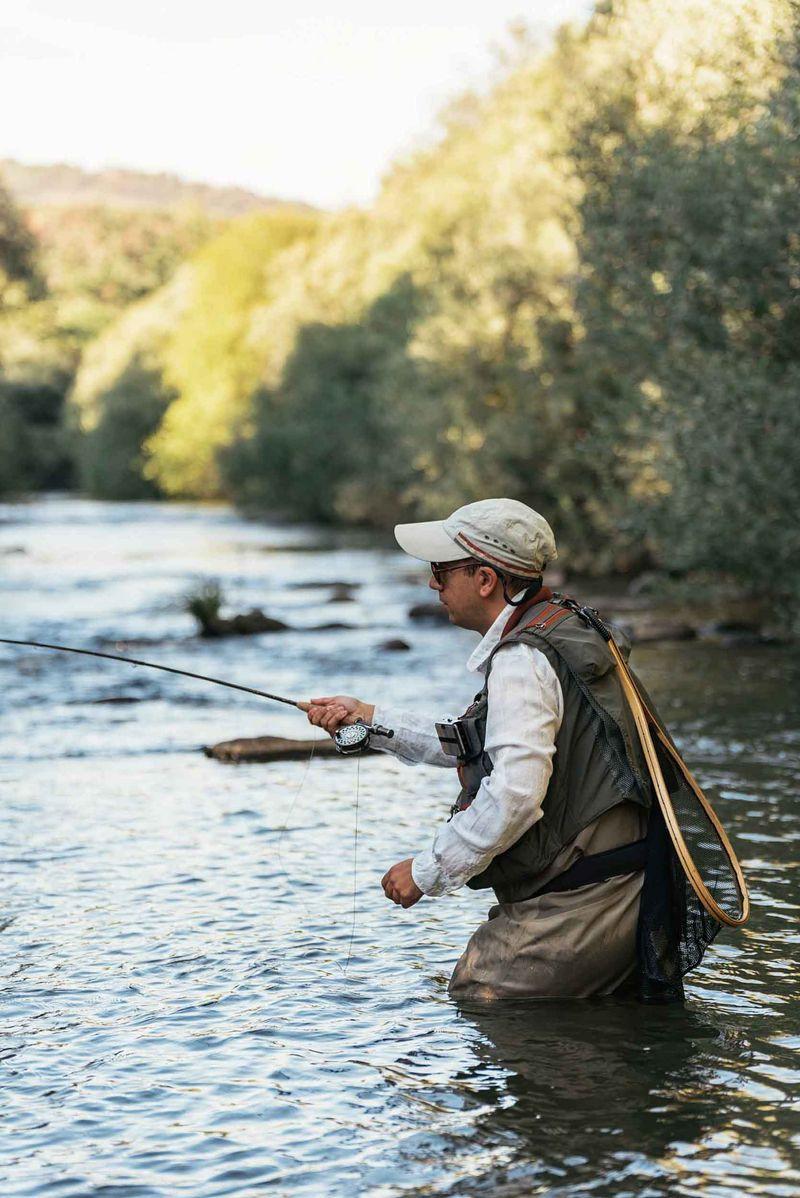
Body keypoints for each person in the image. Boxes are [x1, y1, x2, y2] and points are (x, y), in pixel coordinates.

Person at [306, 498, 653, 1000]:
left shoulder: (522, 660)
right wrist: (369, 719)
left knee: (478, 998)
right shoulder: (562, 624)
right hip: (618, 889)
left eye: (441, 572)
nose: (432, 584)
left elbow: (513, 794)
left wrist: (426, 872)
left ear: (485, 579)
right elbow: (472, 743)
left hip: (586, 902)